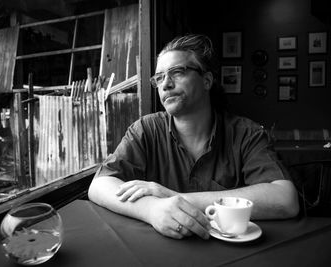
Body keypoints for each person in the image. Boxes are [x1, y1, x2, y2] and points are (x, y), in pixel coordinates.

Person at [88, 34, 299, 240]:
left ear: (206, 80)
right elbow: (99, 185)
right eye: (159, 78)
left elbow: (285, 199)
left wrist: (173, 197)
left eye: (177, 72)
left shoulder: (246, 133)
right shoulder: (145, 129)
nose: (165, 84)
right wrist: (151, 209)